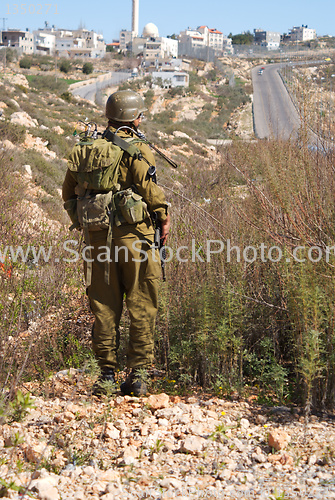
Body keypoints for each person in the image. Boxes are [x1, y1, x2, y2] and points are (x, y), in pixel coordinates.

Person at [62, 90, 170, 396]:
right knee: (142, 301)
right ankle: (137, 376)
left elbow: (68, 192)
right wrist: (163, 219)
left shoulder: (86, 149)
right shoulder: (137, 149)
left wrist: (84, 219)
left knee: (104, 305)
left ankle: (106, 376)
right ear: (134, 118)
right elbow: (149, 191)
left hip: (96, 239)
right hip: (134, 237)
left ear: (110, 116)